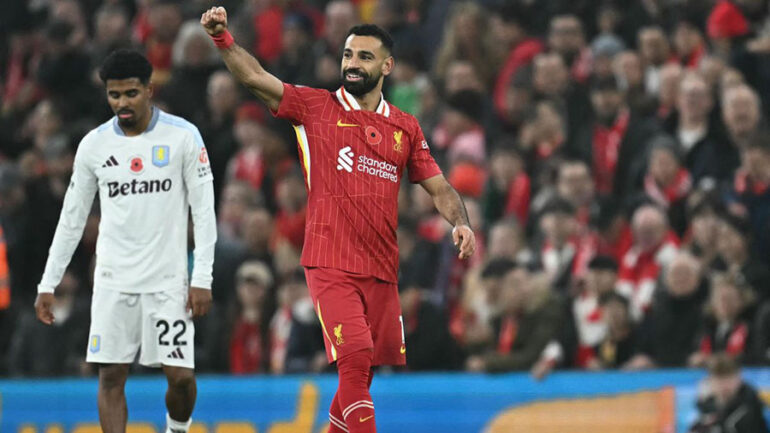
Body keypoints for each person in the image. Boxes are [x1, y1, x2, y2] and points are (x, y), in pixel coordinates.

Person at [201, 7, 475, 433]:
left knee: (360, 376)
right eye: (348, 55)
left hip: (381, 267)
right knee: (355, 356)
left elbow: (439, 188)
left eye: (365, 56)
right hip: (330, 260)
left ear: (387, 66)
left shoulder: (405, 127)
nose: (352, 63)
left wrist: (461, 222)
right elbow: (255, 77)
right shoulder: (316, 107)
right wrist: (223, 39)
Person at [33, 50, 216, 433]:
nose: (122, 103)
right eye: (114, 95)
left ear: (149, 89)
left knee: (181, 379)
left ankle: (177, 429)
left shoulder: (183, 136)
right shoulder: (94, 145)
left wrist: (202, 277)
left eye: (130, 93)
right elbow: (72, 219)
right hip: (113, 280)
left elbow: (203, 212)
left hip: (168, 281)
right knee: (111, 376)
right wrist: (48, 283)